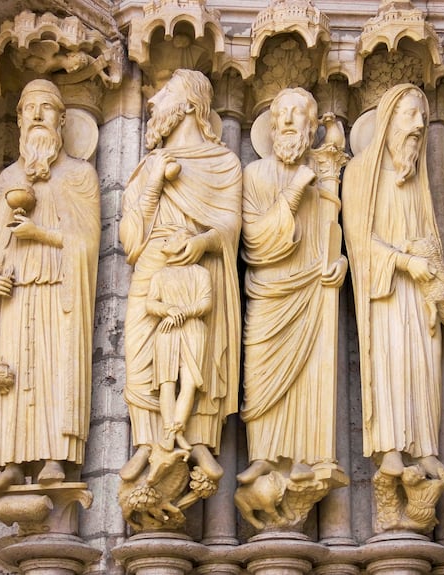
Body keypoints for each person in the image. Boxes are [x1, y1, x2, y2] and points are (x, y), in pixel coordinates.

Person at [119, 69, 242, 482]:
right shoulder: (147, 166)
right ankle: (146, 441)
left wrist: (204, 242)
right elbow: (130, 239)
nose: (153, 101)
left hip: (199, 265)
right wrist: (154, 182)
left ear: (190, 103)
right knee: (141, 352)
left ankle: (201, 440)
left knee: (199, 353)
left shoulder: (223, 162)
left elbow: (232, 226)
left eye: (165, 91)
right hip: (153, 265)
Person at [0, 79, 100, 491]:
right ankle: (13, 459)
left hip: (60, 287)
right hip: (18, 290)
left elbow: (87, 242)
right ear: (18, 120)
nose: (36, 115)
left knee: (54, 365)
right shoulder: (8, 181)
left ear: (63, 119)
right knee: (16, 370)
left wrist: (41, 234)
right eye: (28, 109)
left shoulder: (79, 175)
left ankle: (56, 455)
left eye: (46, 108)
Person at [343, 83, 444, 482]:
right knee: (390, 363)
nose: (419, 125)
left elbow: (430, 238)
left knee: (423, 368)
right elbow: (359, 242)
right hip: (386, 292)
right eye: (410, 115)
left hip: (419, 291)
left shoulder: (417, 182)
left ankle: (425, 448)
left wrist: (439, 285)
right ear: (387, 120)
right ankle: (390, 450)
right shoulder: (361, 173)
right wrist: (404, 262)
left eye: (423, 117)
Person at [237, 88, 347, 485]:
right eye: (280, 114)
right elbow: (254, 238)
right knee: (261, 374)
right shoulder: (255, 175)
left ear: (312, 127)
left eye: (297, 114)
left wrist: (341, 264)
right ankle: (264, 455)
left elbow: (331, 236)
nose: (287, 121)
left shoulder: (324, 180)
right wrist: (296, 188)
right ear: (268, 127)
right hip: (269, 289)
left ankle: (306, 455)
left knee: (309, 370)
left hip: (311, 290)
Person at [146, 229, 213, 451]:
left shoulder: (200, 273)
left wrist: (184, 312)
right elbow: (151, 304)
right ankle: (168, 432)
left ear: (185, 242)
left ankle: (178, 430)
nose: (167, 239)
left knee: (189, 383)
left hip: (193, 329)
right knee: (167, 382)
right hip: (167, 330)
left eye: (173, 236)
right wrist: (169, 309)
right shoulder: (160, 276)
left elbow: (206, 303)